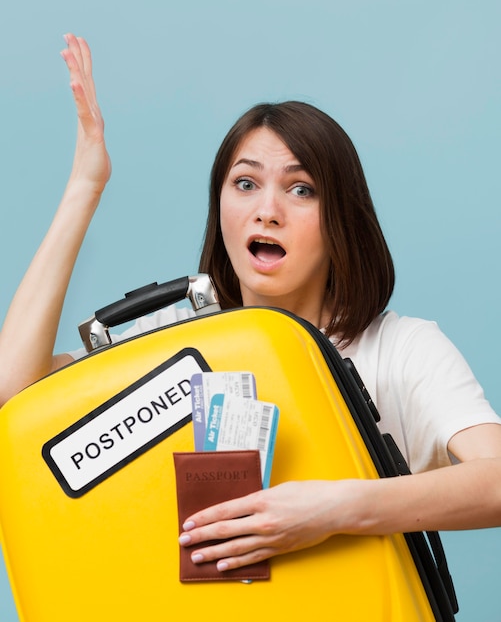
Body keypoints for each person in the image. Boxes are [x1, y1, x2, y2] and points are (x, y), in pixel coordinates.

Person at [1, 35, 501, 577]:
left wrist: (336, 508)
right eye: (245, 183)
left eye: (301, 189)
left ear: (342, 220)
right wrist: (85, 185)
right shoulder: (177, 343)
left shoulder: (402, 349)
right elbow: (15, 391)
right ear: (220, 209)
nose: (267, 210)